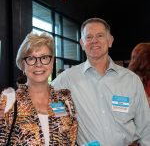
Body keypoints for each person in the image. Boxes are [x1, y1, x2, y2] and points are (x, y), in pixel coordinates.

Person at [52, 17, 150, 146]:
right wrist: (62, 119)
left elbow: (145, 127)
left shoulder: (131, 80)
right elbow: (46, 98)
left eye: (100, 35)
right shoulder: (68, 78)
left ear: (110, 41)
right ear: (82, 44)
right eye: (89, 37)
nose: (94, 41)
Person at [0, 32, 78, 145]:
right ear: (23, 65)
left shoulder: (65, 101)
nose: (38, 64)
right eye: (31, 58)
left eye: (44, 57)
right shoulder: (8, 102)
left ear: (52, 62)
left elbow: (71, 140)